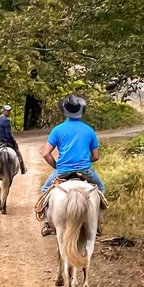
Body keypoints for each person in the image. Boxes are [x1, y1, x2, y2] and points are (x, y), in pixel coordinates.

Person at [39, 95, 104, 236]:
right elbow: (96, 156)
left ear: (65, 111)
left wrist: (57, 166)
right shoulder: (89, 130)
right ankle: (97, 222)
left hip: (62, 171)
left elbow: (46, 154)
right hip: (85, 170)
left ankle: (47, 224)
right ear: (81, 110)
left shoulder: (57, 130)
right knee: (101, 188)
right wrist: (84, 162)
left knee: (44, 189)